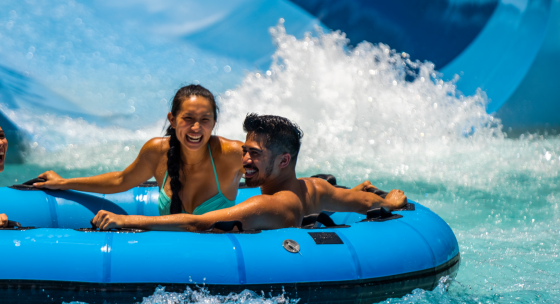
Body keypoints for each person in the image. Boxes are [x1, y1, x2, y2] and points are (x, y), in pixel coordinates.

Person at [91, 113, 407, 231]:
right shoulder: (312, 188)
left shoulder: (270, 204)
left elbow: (199, 223)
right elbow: (363, 203)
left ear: (283, 161)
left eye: (254, 154)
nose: (244, 160)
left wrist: (127, 220)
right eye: (244, 151)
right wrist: (390, 202)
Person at [34, 85, 245, 215]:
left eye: (205, 120)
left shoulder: (231, 154)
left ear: (214, 122)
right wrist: (64, 183)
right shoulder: (157, 152)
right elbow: (121, 180)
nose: (196, 128)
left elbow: (265, 177)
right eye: (188, 118)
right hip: (172, 257)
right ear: (172, 120)